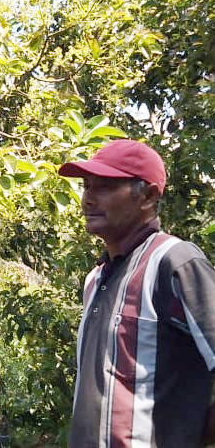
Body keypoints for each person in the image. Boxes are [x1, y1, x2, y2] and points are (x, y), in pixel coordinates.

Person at [59, 139, 215, 448]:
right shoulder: (96, 278)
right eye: (87, 187)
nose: (88, 199)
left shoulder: (175, 262)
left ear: (147, 196)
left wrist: (191, 435)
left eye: (103, 187)